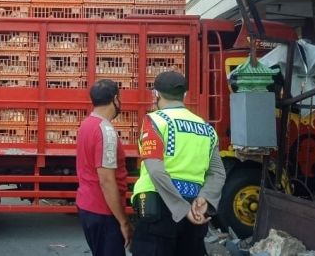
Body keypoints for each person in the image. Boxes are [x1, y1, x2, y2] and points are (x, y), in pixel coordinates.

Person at [131, 71, 226, 256]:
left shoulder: (155, 121)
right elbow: (218, 173)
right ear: (184, 95)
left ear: (155, 94)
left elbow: (155, 169)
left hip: (159, 207)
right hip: (195, 208)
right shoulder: (206, 128)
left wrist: (181, 209)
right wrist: (205, 199)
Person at [76, 79, 133, 256]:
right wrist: (123, 221)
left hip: (87, 206)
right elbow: (106, 180)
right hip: (104, 211)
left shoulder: (86, 124)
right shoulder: (105, 130)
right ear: (115, 99)